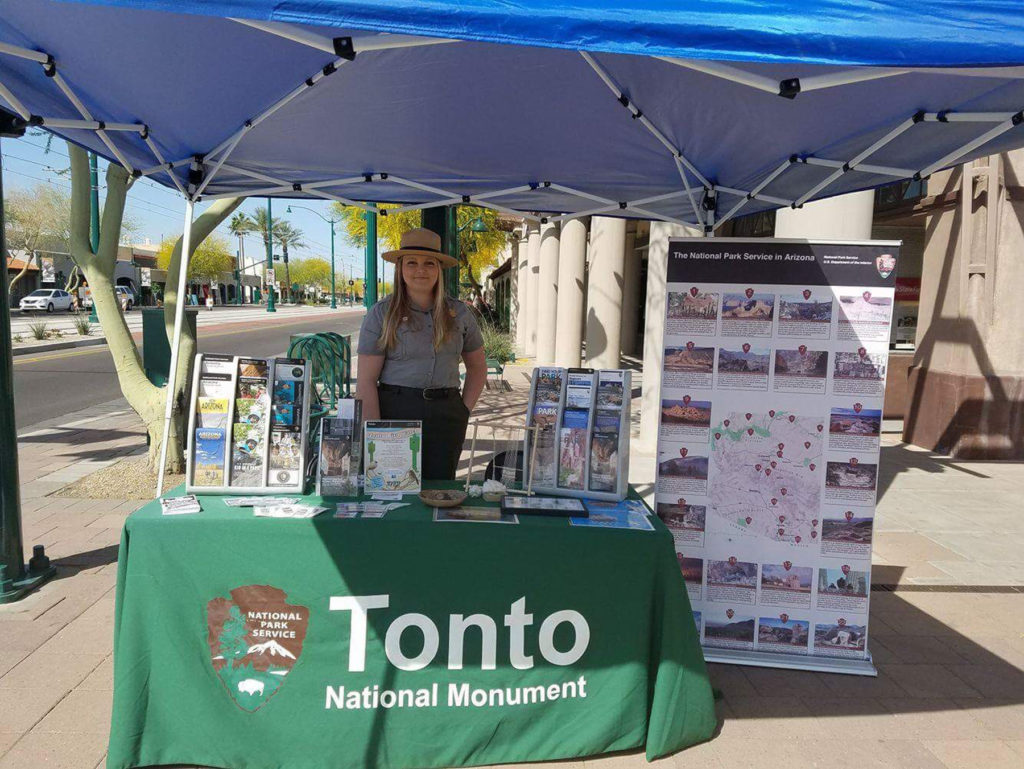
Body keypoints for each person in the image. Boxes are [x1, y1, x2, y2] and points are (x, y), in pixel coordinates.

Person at [356, 228, 487, 481]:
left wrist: (462, 411)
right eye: (412, 263)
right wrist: (375, 433)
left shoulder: (460, 314)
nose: (420, 270)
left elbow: (478, 367)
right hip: (396, 411)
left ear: (439, 269)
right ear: (400, 268)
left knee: (440, 489)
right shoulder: (381, 314)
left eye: (429, 263)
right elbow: (366, 380)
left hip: (446, 414)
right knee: (394, 491)